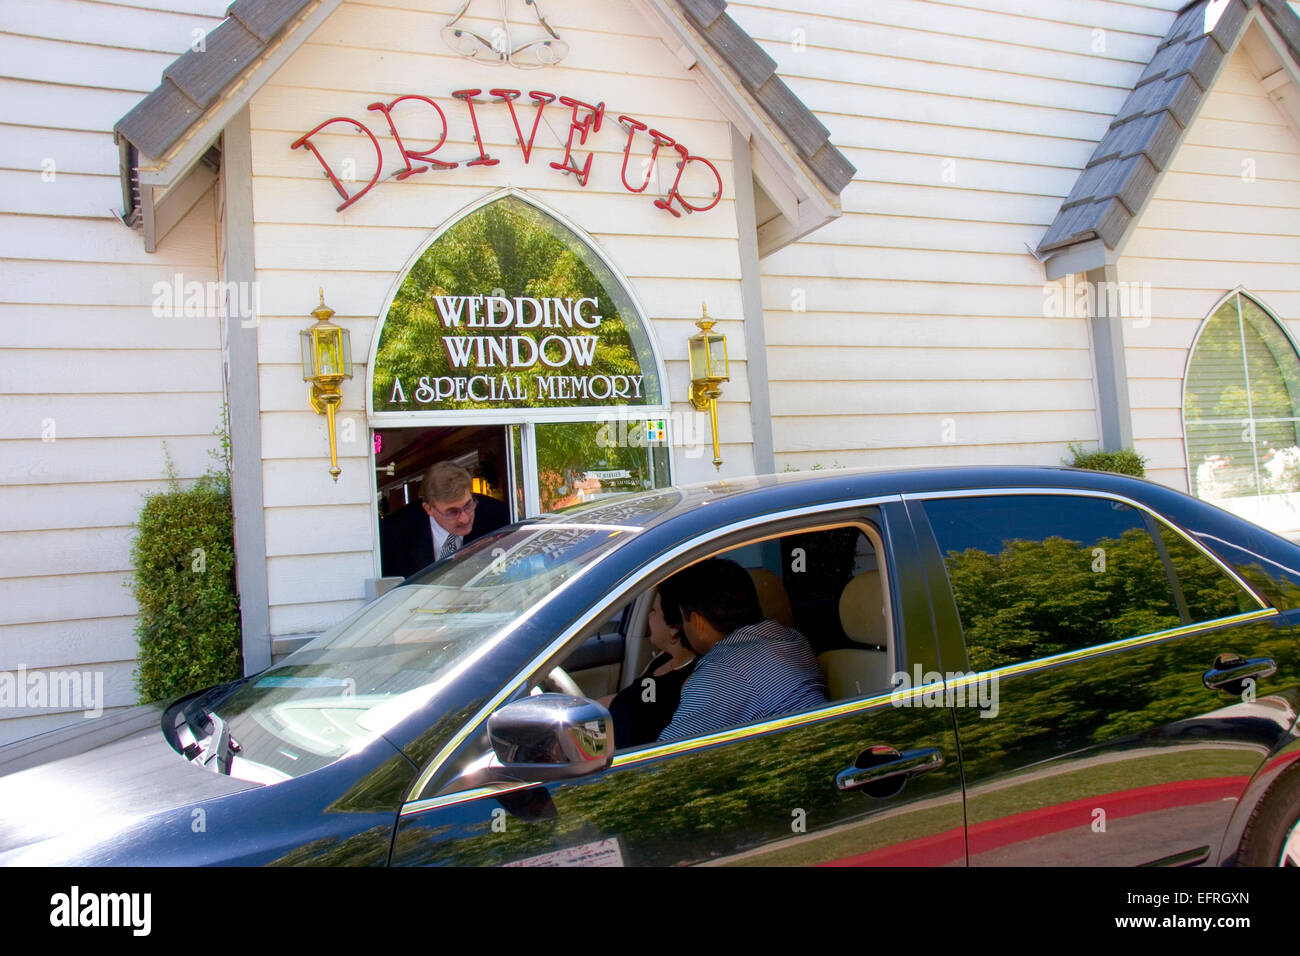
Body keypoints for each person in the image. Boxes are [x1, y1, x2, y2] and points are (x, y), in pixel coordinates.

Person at [657, 558, 828, 742]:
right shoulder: (791, 638)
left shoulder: (722, 671)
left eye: (684, 619)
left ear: (698, 622)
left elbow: (667, 758)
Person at [602, 574, 696, 748]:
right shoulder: (663, 659)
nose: (648, 617)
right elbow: (636, 698)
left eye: (653, 611)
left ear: (674, 629)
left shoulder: (689, 682)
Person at [380, 462, 510, 578]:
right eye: (452, 512)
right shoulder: (394, 534)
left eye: (468, 505)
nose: (464, 519)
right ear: (428, 509)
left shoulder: (500, 516)